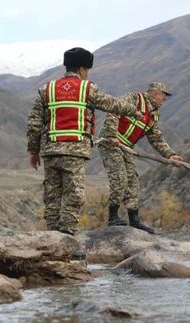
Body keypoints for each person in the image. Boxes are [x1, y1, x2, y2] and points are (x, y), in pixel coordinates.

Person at [26, 47, 139, 254]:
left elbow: (34, 123)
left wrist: (33, 151)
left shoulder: (47, 89)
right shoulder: (87, 88)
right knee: (74, 196)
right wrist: (133, 111)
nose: (87, 73)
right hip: (74, 151)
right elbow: (111, 104)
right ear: (81, 69)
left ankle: (53, 240)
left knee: (52, 197)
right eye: (86, 69)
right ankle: (67, 241)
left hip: (50, 151)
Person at [98, 82, 183, 234]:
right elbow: (114, 110)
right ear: (155, 93)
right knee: (120, 178)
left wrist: (170, 155)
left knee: (132, 181)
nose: (163, 101)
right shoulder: (133, 99)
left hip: (127, 149)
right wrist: (111, 135)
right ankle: (113, 217)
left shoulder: (153, 115)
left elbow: (156, 138)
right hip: (111, 144)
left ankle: (134, 219)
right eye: (163, 97)